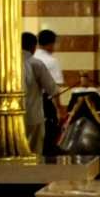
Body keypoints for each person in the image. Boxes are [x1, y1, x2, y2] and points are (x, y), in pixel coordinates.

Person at [24, 28, 66, 161]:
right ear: (33, 46)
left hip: (15, 113)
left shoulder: (13, 63)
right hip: (37, 109)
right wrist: (59, 109)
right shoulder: (40, 63)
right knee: (37, 148)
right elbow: (53, 89)